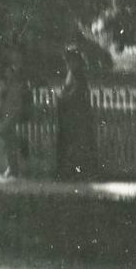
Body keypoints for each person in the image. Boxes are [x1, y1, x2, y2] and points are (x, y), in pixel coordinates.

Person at [55, 46, 97, 180]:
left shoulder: (79, 76)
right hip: (69, 115)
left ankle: (77, 173)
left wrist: (62, 97)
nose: (68, 64)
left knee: (77, 145)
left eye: (71, 61)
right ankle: (67, 172)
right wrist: (61, 94)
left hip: (77, 116)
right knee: (68, 144)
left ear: (77, 61)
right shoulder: (71, 74)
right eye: (67, 61)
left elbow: (76, 94)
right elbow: (66, 90)